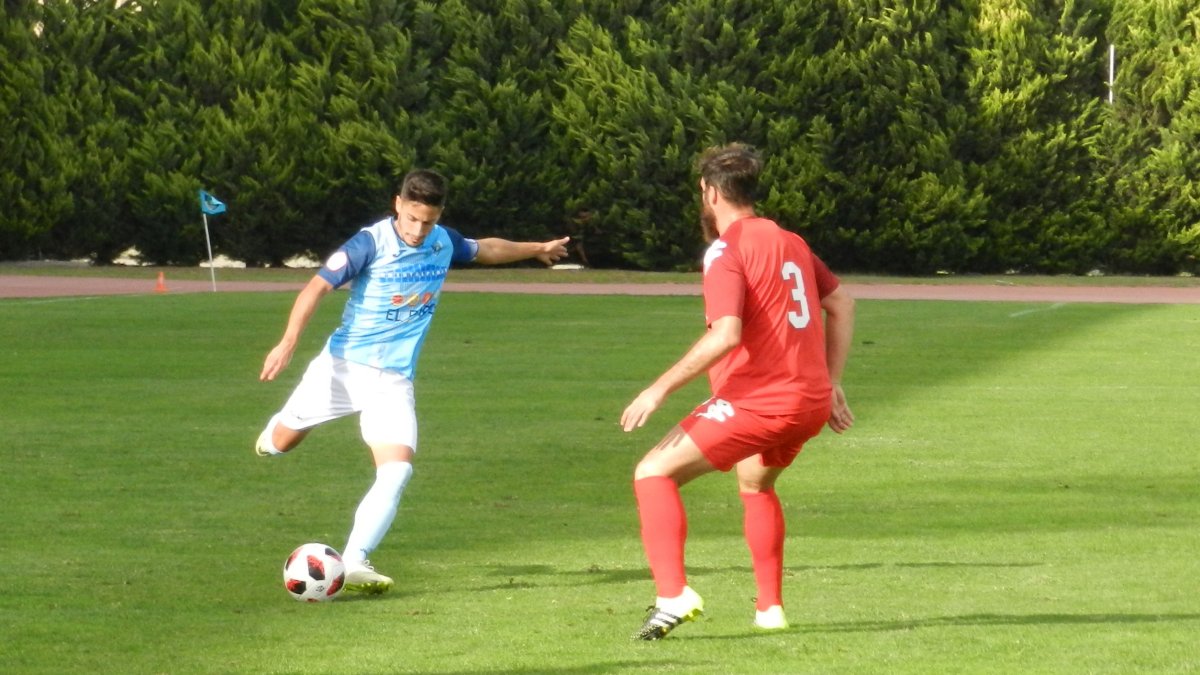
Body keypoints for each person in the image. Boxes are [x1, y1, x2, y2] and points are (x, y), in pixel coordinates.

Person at [256, 169, 569, 594]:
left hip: (394, 381)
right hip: (342, 370)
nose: (419, 230)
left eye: (428, 221)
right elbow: (315, 288)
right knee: (280, 443)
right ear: (398, 204)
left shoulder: (443, 240)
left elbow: (486, 249)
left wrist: (538, 248)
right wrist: (288, 341)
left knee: (397, 470)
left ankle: (355, 558)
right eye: (412, 219)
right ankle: (275, 432)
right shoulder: (370, 243)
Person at [620, 143, 856, 639]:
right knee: (755, 483)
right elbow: (844, 303)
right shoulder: (789, 239)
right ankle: (770, 609)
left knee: (653, 472)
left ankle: (673, 594)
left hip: (762, 401)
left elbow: (725, 333)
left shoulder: (727, 249)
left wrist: (658, 388)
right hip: (808, 403)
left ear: (709, 193)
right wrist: (832, 382)